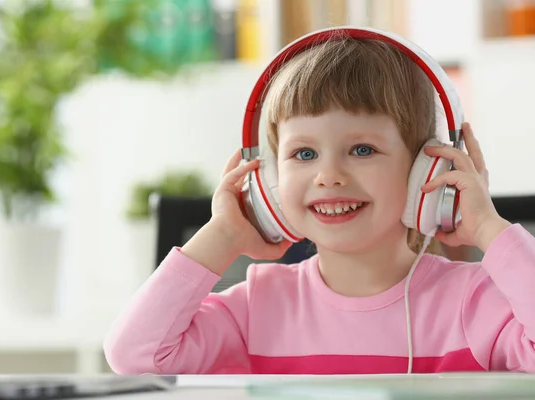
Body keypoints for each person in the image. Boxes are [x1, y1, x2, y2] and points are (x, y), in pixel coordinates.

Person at [103, 31, 535, 374]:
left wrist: (487, 228)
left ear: (430, 170)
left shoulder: (470, 303)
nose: (329, 176)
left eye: (362, 149)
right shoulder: (259, 309)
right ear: (269, 182)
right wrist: (223, 235)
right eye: (304, 154)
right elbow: (135, 355)